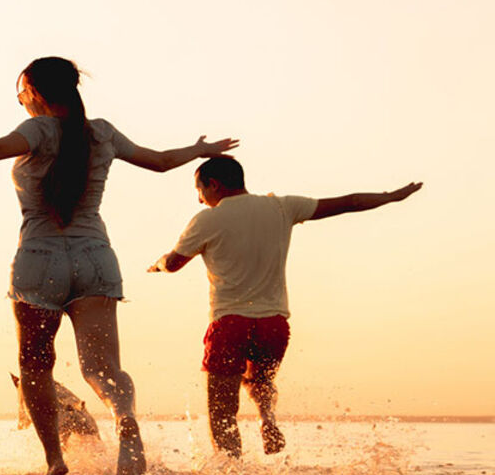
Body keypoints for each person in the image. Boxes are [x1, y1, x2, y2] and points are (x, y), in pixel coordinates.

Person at [0, 56, 237, 475]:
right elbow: (161, 160)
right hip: (95, 256)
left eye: (22, 94)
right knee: (102, 368)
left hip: (39, 260)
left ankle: (55, 460)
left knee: (35, 364)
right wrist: (200, 151)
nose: (21, 102)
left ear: (36, 94)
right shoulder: (102, 132)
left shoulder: (37, 131)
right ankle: (125, 418)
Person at [150, 157, 421, 457]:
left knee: (222, 413)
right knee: (259, 381)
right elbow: (349, 202)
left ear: (214, 184)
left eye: (199, 189)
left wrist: (159, 265)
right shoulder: (281, 207)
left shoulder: (206, 220)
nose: (199, 198)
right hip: (274, 324)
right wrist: (391, 197)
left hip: (230, 323)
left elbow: (174, 263)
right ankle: (268, 420)